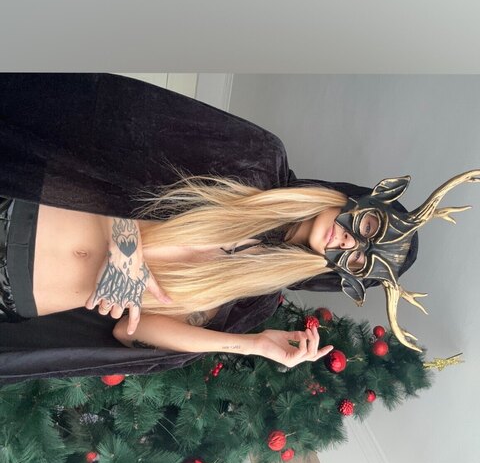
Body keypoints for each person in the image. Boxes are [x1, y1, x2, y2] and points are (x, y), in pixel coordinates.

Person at [0, 73, 476, 383]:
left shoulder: (255, 298)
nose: (351, 240)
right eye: (369, 226)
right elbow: (114, 135)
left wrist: (253, 345)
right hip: (18, 208)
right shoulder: (255, 162)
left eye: (358, 258)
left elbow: (137, 333)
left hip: (17, 293)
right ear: (362, 198)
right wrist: (126, 247)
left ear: (344, 276)